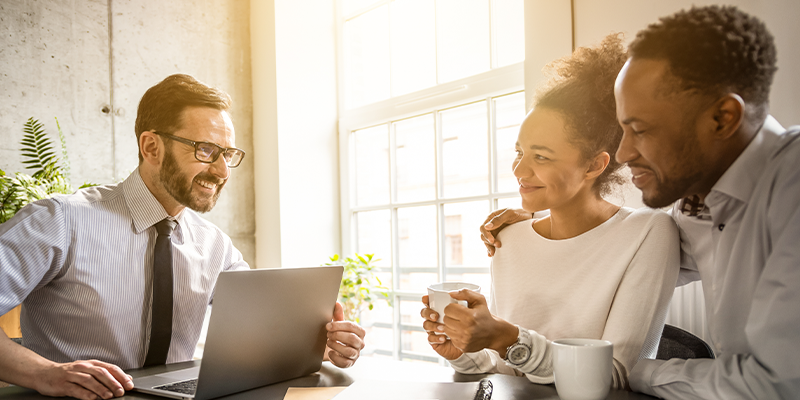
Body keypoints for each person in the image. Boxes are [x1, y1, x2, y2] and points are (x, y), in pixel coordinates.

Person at [481, 6, 800, 399]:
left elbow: (777, 384)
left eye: (640, 130)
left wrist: (633, 372)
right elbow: (616, 246)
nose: (624, 152)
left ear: (722, 117)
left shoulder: (791, 188)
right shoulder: (694, 211)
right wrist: (540, 224)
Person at [0, 74, 366, 400]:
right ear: (151, 147)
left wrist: (324, 342)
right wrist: (44, 373)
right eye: (206, 150)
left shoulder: (215, 246)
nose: (221, 170)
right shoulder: (61, 220)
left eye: (228, 154)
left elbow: (265, 334)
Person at [419, 35, 680, 390]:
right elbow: (503, 368)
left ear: (594, 165)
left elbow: (615, 376)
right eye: (519, 152)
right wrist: (461, 350)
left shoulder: (648, 233)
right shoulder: (508, 237)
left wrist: (506, 338)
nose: (519, 171)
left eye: (540, 156)